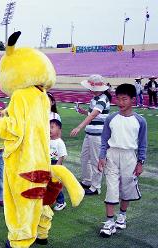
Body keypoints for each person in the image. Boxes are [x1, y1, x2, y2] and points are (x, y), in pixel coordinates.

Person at [97, 83, 147, 238]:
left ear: (133, 99)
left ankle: (122, 216)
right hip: (112, 155)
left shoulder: (140, 121)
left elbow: (142, 144)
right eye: (118, 99)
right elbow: (104, 140)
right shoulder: (111, 118)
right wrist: (101, 157)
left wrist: (140, 162)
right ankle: (109, 222)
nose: (120, 102)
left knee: (126, 188)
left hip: (130, 157)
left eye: (124, 99)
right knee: (111, 188)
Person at [70, 74, 111, 195]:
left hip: (97, 135)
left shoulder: (102, 99)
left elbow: (93, 115)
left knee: (95, 160)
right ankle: (87, 181)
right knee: (84, 158)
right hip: (90, 134)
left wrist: (79, 127)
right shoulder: (95, 99)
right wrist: (83, 111)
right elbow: (91, 114)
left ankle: (95, 187)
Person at [50, 119, 68, 211]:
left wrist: (57, 166)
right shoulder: (47, 140)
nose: (50, 129)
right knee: (49, 184)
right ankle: (50, 200)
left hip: (55, 165)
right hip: (47, 164)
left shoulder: (59, 142)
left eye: (52, 127)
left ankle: (61, 202)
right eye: (48, 127)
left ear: (59, 130)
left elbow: (62, 156)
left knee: (56, 184)